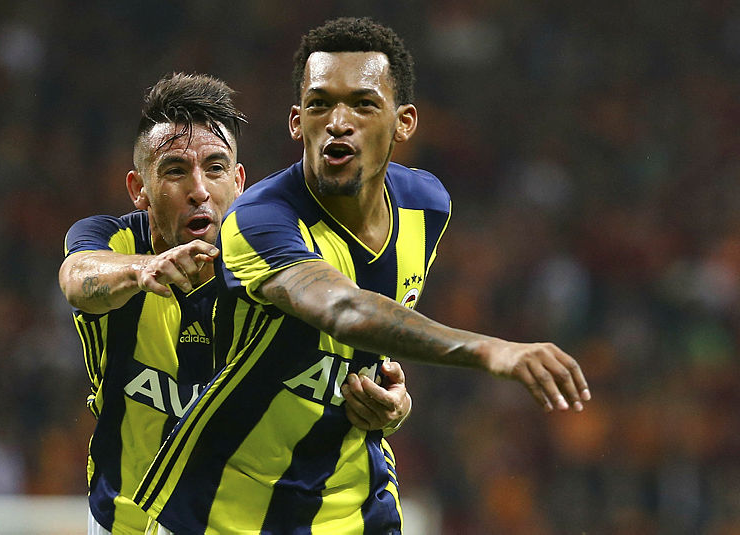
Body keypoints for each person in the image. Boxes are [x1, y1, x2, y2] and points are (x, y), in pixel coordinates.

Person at [134, 18, 591, 535]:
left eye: (363, 104)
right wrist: (491, 350)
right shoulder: (259, 220)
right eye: (319, 104)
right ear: (296, 121)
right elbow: (344, 311)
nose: (338, 122)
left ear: (404, 122)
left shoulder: (426, 206)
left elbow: (368, 344)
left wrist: (393, 400)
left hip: (352, 507)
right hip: (218, 511)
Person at [58, 73, 413, 535]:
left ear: (239, 180)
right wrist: (142, 270)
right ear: (139, 187)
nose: (199, 190)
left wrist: (391, 404)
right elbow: (77, 276)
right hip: (125, 520)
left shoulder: (280, 258)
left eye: (215, 168)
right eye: (175, 170)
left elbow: (348, 377)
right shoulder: (114, 242)